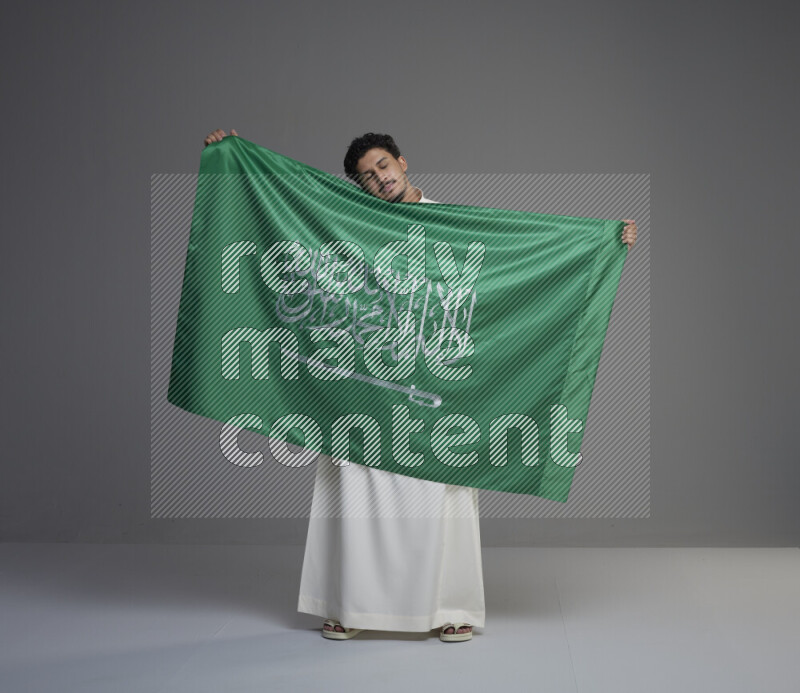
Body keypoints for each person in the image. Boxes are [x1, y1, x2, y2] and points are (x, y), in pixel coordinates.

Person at [203, 129, 637, 643]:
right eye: (366, 175)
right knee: (357, 493)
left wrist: (601, 243)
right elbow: (292, 224)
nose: (378, 177)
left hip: (433, 385)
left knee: (441, 495)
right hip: (363, 383)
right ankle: (349, 606)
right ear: (358, 185)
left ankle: (450, 608)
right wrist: (232, 155)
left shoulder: (452, 228)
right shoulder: (349, 228)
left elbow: (522, 255)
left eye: (383, 165)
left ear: (403, 163)